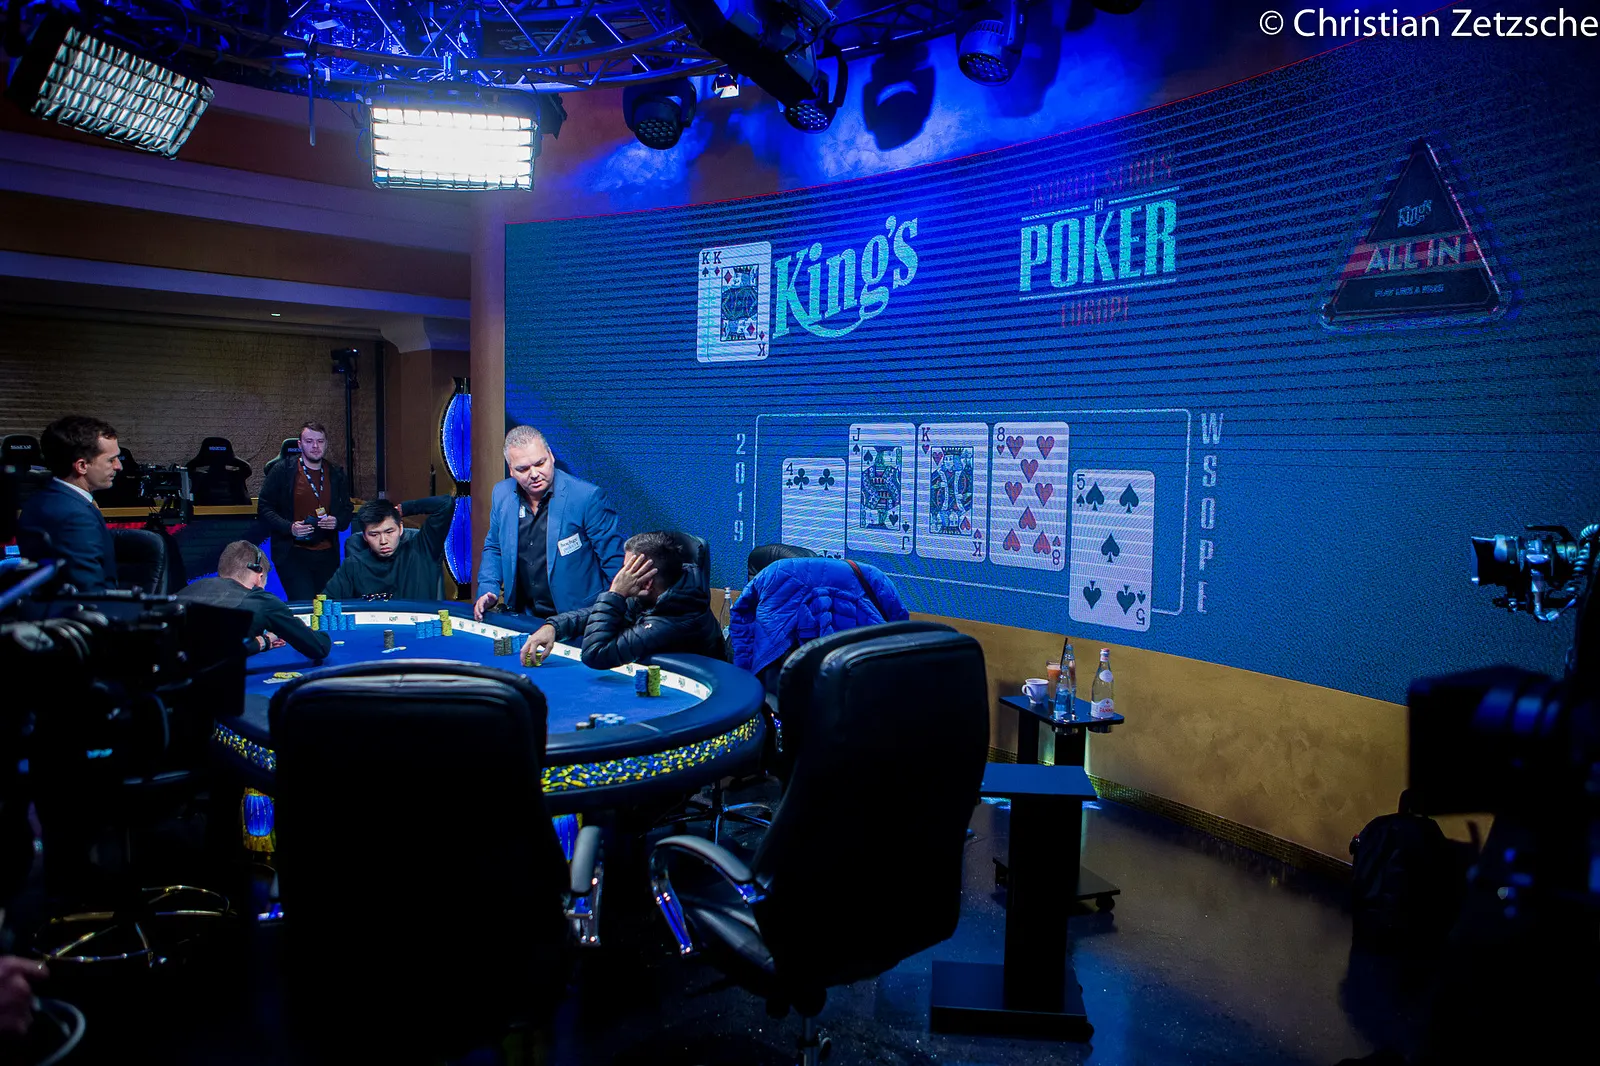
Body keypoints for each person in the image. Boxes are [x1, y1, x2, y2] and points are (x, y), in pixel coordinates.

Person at [474, 426, 625, 623]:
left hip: (577, 619)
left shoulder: (586, 498)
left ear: (551, 456)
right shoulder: (501, 494)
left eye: (540, 463)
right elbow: (495, 547)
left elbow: (614, 564)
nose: (534, 474)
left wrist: (610, 618)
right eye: (523, 469)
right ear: (511, 470)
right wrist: (488, 589)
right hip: (524, 616)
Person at [521, 531, 727, 669]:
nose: (621, 575)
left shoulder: (677, 618)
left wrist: (616, 593)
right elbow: (603, 614)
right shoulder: (662, 592)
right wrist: (555, 627)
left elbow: (595, 654)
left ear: (647, 582)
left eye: (627, 569)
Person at [729, 554, 909, 678]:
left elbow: (740, 614)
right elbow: (902, 632)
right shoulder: (875, 578)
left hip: (780, 687)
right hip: (859, 682)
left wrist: (743, 671)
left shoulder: (772, 574)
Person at [176, 540, 332, 661]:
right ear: (259, 576)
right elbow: (319, 647)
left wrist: (263, 641)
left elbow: (215, 647)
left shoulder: (189, 590)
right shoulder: (262, 601)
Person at [17, 416, 122, 592]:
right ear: (82, 466)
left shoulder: (43, 499)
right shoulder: (75, 516)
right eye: (111, 460)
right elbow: (89, 593)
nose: (119, 466)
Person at [258, 422, 352, 601]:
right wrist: (290, 527)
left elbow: (347, 510)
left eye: (320, 441)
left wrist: (337, 521)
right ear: (300, 444)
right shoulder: (282, 470)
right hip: (293, 552)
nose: (315, 446)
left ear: (326, 443)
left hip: (327, 553)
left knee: (326, 605)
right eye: (309, 441)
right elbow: (264, 507)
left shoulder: (335, 473)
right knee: (305, 603)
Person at [321, 496, 454, 601]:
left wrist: (404, 508)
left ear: (400, 528)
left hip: (419, 625)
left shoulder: (422, 549)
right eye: (374, 534)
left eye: (389, 532)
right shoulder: (353, 565)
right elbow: (326, 603)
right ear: (365, 536)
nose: (383, 541)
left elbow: (445, 503)